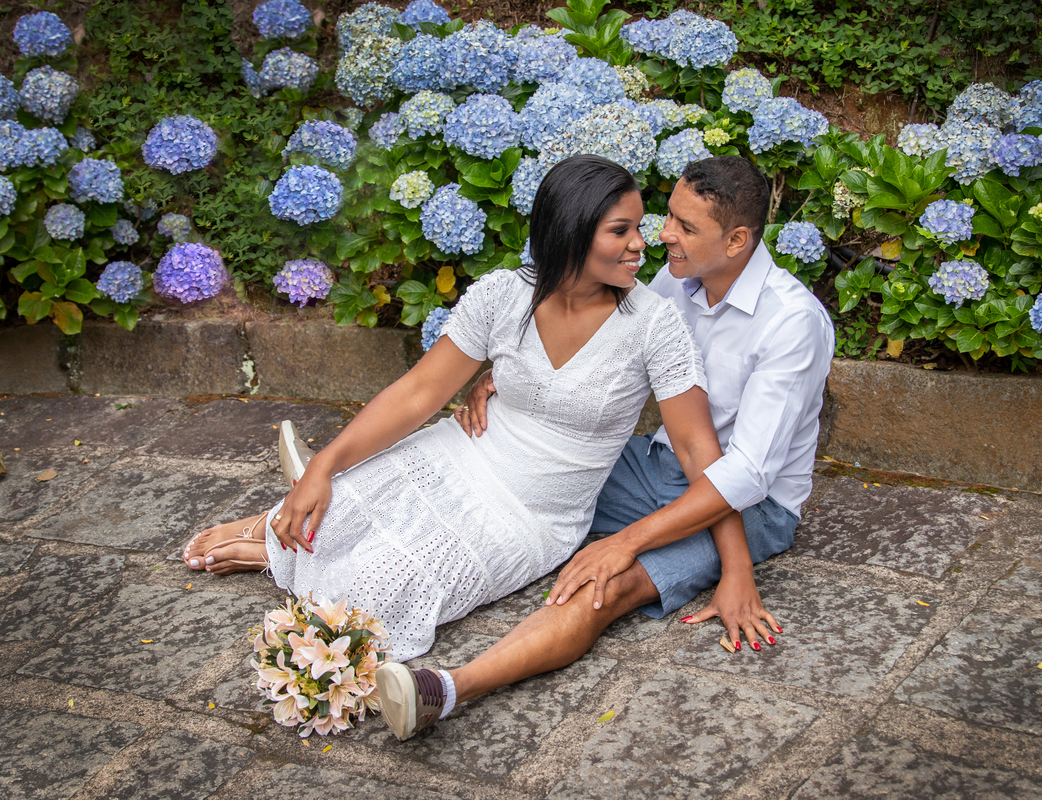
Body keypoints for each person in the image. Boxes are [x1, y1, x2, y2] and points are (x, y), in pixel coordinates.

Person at [181, 154, 780, 737]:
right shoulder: (501, 296)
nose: (641, 245)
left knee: (382, 587)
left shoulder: (653, 323)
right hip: (464, 449)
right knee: (334, 506)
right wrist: (325, 467)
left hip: (531, 515)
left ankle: (287, 550)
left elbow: (703, 454)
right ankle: (285, 526)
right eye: (621, 231)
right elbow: (419, 392)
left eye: (639, 229)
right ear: (570, 234)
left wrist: (737, 568)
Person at [389, 155, 834, 742]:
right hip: (652, 464)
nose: (661, 236)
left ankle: (444, 690)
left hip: (751, 507)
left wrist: (720, 565)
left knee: (608, 584)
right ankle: (319, 530)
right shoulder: (678, 274)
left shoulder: (792, 323)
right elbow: (606, 337)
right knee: (503, 465)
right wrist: (505, 375)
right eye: (667, 216)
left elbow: (743, 475)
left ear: (737, 240)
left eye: (683, 226)